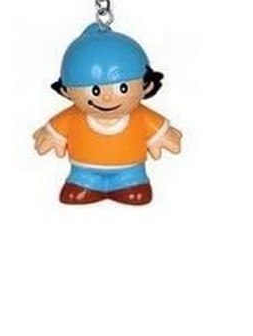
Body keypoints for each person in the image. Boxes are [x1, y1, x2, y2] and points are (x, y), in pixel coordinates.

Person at [33, 23, 182, 205]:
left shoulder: (141, 115)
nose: (107, 97)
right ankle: (84, 184)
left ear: (146, 85)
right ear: (67, 90)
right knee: (79, 185)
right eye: (95, 90)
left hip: (131, 170)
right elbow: (57, 128)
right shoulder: (73, 116)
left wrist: (162, 135)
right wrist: (51, 135)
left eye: (123, 88)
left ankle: (131, 184)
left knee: (134, 188)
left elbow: (156, 128)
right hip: (83, 170)